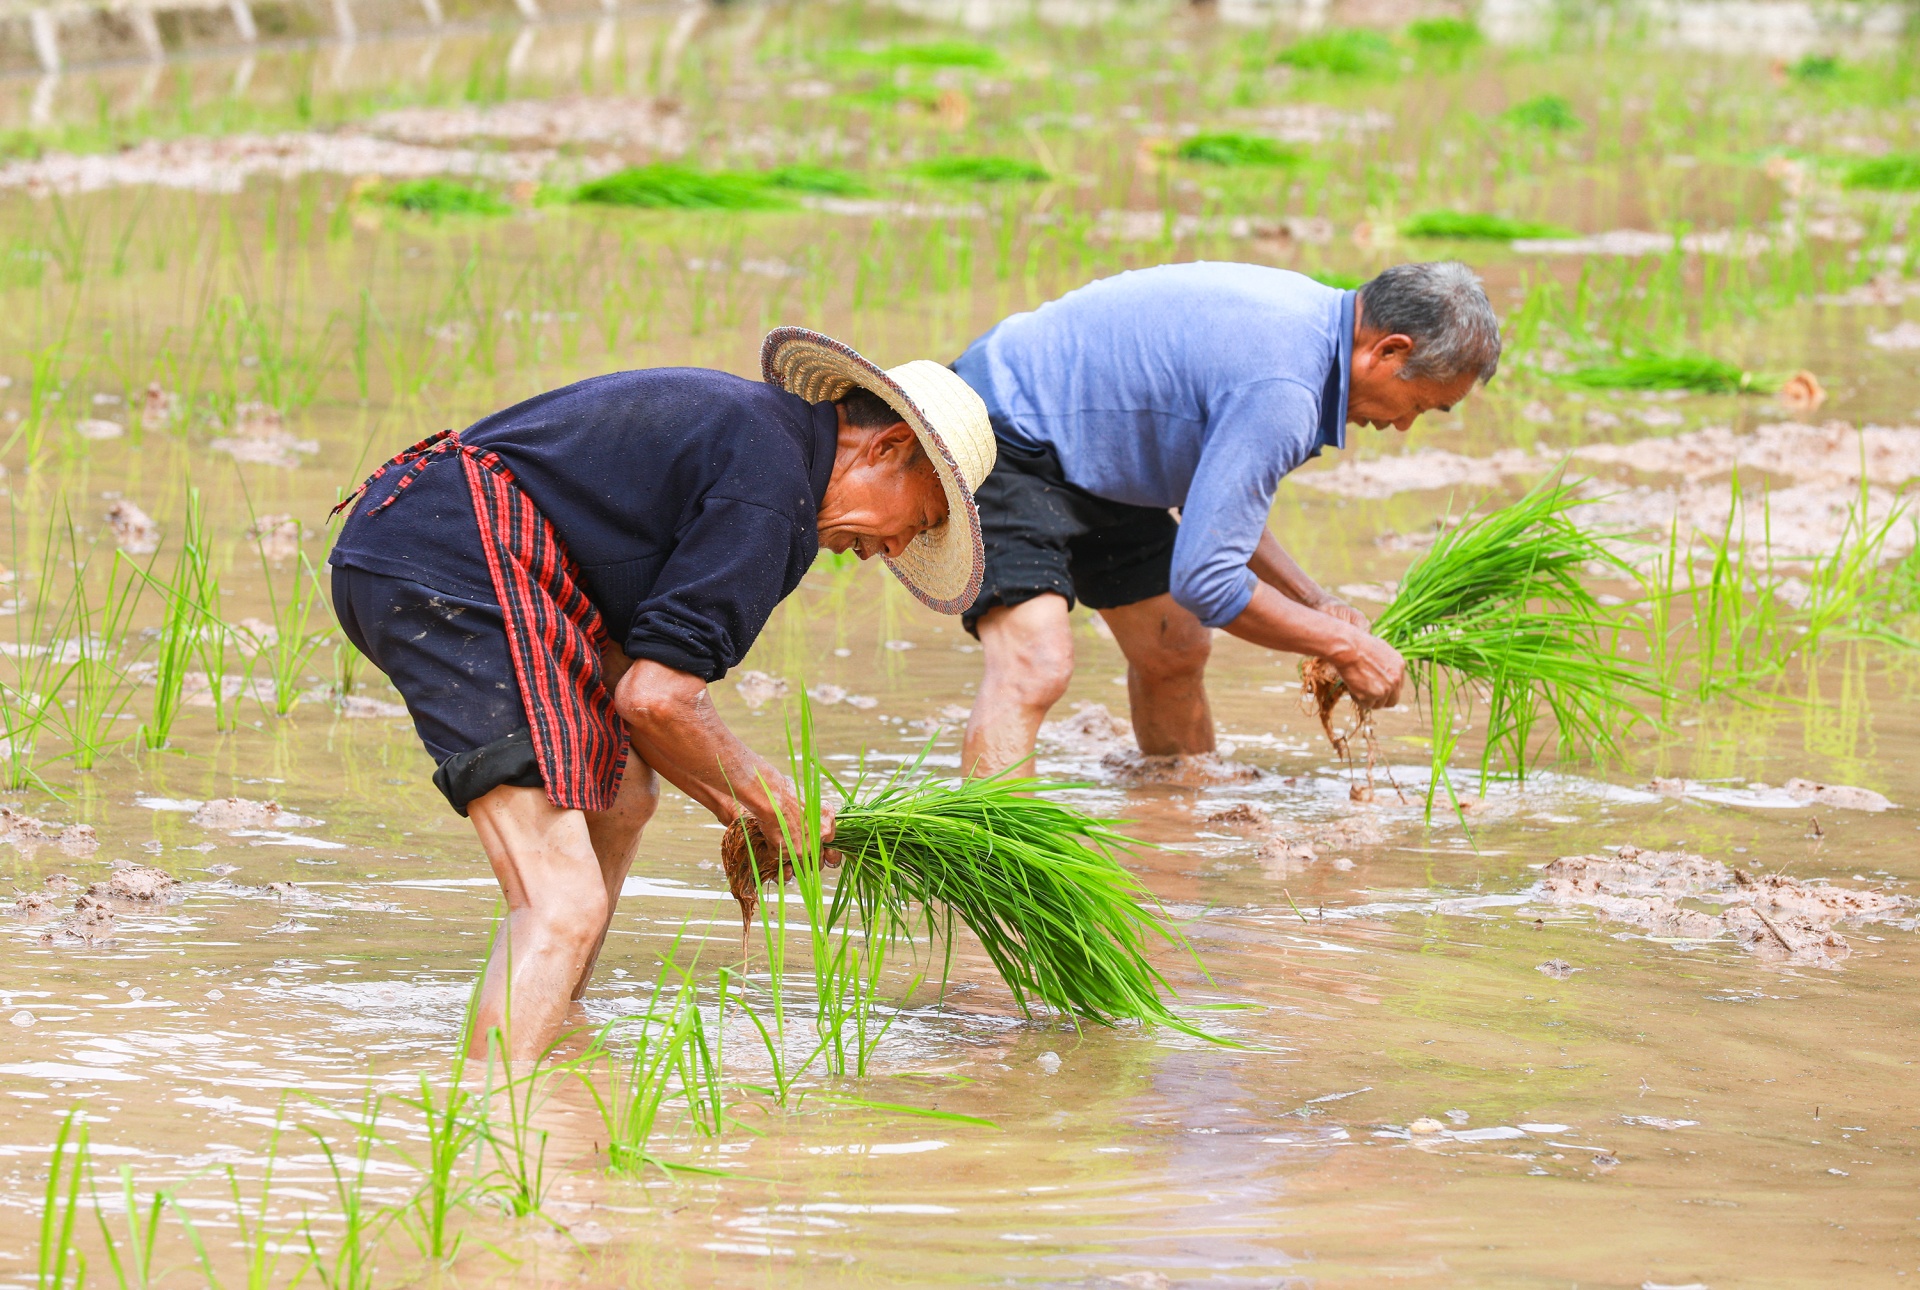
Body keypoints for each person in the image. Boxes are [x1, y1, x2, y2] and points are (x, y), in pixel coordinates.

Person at [326, 329, 995, 1058]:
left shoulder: (759, 440)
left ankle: (549, 1028)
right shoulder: (773, 490)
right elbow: (657, 698)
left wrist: (747, 802)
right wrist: (769, 799)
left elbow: (634, 684)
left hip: (428, 536)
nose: (891, 550)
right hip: (453, 557)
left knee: (624, 793)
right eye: (920, 520)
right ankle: (497, 1141)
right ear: (890, 448)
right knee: (561, 903)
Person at [950, 260, 1501, 776]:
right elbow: (1207, 582)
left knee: (1176, 646)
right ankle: (993, 870)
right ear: (1387, 351)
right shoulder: (1286, 386)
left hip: (1094, 447)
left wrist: (1317, 603)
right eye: (1417, 404)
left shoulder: (1309, 334)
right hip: (998, 425)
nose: (1404, 426)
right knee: (1035, 664)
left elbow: (1214, 507)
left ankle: (1174, 830)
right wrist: (1346, 646)